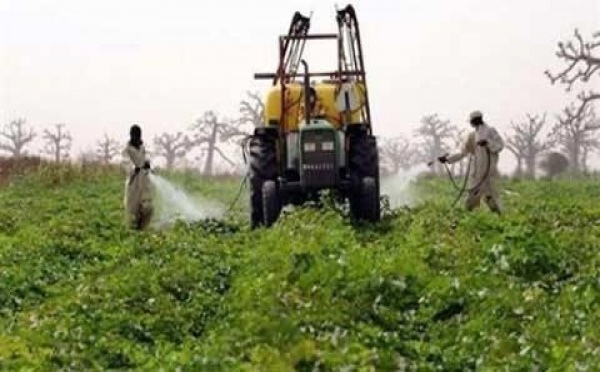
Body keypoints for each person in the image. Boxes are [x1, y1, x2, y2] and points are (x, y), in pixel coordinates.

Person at [438, 111, 504, 214]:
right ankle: (466, 219)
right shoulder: (472, 135)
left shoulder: (490, 131)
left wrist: (488, 143)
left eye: (471, 121)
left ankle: (501, 220)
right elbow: (462, 152)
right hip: (476, 174)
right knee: (471, 199)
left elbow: (500, 145)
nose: (470, 123)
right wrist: (447, 159)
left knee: (491, 199)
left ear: (476, 120)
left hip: (488, 173)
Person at [122, 124, 154, 230]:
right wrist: (134, 168)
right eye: (134, 136)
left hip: (144, 181)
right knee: (133, 210)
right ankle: (133, 233)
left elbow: (147, 158)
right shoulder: (127, 149)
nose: (137, 138)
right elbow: (126, 162)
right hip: (133, 183)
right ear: (131, 136)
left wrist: (147, 163)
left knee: (148, 208)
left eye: (138, 135)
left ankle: (142, 229)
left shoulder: (143, 148)